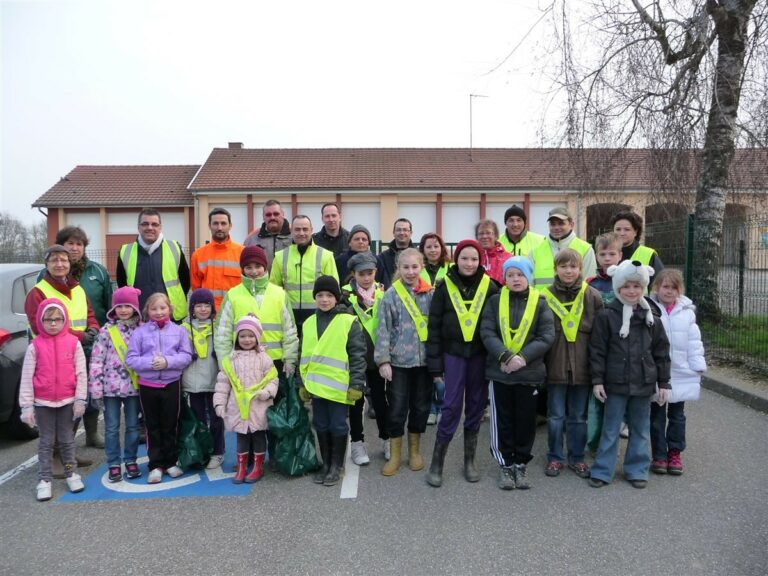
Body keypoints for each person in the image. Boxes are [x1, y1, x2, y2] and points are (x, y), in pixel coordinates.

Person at [589, 260, 671, 489]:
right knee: (611, 428)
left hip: (644, 383)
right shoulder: (607, 316)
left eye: (636, 286)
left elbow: (662, 352)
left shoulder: (652, 317)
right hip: (615, 382)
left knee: (640, 428)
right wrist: (597, 380)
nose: (632, 291)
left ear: (643, 287)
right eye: (626, 287)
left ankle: (636, 469)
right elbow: (597, 351)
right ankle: (603, 470)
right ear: (618, 288)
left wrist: (664, 382)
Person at [425, 239, 499, 488]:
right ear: (457, 259)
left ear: (480, 261)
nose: (469, 263)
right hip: (453, 355)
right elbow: (433, 328)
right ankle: (438, 461)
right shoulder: (444, 286)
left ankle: (470, 460)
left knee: (476, 407)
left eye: (474, 259)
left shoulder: (491, 287)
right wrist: (435, 368)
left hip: (480, 356)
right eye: (465, 258)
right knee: (451, 406)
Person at [480, 257, 555, 491]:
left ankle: (520, 463)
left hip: (528, 373)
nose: (516, 279)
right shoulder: (494, 301)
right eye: (511, 275)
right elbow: (487, 331)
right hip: (500, 372)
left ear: (528, 277)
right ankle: (505, 464)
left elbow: (546, 336)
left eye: (520, 275)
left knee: (525, 422)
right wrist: (505, 356)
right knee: (503, 420)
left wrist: (521, 358)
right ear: (505, 277)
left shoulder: (541, 303)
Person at [25, 244, 100, 472]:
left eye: (64, 260)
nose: (60, 264)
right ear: (46, 264)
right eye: (54, 260)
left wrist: (94, 328)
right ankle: (54, 456)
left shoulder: (77, 288)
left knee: (73, 404)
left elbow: (89, 313)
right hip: (50, 359)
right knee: (55, 407)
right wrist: (80, 336)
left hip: (75, 353)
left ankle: (68, 451)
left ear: (70, 264)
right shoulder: (38, 292)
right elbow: (41, 326)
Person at [39, 226, 112, 450]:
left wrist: (98, 333)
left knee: (91, 390)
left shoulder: (97, 271)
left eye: (79, 244)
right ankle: (62, 446)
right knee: (69, 394)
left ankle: (91, 433)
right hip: (61, 347)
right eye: (70, 243)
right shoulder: (49, 276)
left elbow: (107, 306)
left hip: (93, 343)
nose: (74, 248)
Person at [541, 249, 603, 479]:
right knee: (555, 416)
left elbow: (600, 338)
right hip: (555, 366)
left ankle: (577, 458)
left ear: (581, 269)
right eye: (563, 266)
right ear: (555, 269)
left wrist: (597, 370)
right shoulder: (544, 297)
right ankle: (555, 457)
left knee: (578, 416)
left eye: (573, 266)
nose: (568, 271)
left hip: (583, 368)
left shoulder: (592, 296)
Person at [300, 276, 367, 486]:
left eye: (329, 295)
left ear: (336, 298)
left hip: (339, 387)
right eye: (320, 295)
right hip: (316, 386)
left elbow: (357, 355)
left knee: (338, 425)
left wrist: (356, 385)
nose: (324, 299)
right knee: (320, 424)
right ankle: (327, 463)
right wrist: (301, 383)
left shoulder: (348, 321)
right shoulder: (309, 322)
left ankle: (337, 466)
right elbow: (304, 355)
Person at [19, 299, 87, 501]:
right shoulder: (35, 346)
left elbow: (81, 373)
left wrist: (80, 400)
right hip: (43, 404)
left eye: (58, 319)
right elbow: (27, 377)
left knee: (67, 441)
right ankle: (45, 479)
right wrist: (27, 406)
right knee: (46, 443)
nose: (53, 324)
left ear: (64, 319)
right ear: (41, 321)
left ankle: (71, 473)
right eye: (48, 320)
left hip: (68, 401)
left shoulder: (74, 343)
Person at [374, 248, 434, 477]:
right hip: (398, 363)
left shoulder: (430, 294)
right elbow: (383, 330)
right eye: (405, 267)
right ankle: (396, 454)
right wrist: (383, 361)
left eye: (415, 267)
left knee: (420, 407)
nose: (410, 272)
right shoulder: (391, 295)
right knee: (397, 408)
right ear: (398, 268)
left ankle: (415, 451)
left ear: (422, 268)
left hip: (424, 363)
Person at [126, 292, 193, 483]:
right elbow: (131, 358)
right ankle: (155, 465)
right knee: (152, 426)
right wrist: (150, 363)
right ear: (147, 311)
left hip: (172, 384)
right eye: (154, 308)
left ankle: (171, 462)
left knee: (170, 425)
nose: (158, 312)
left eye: (162, 308)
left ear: (170, 309)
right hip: (148, 386)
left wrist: (167, 362)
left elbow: (186, 355)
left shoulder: (179, 331)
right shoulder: (140, 332)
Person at [649, 269, 706, 476]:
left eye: (674, 287)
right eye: (665, 286)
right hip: (656, 373)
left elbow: (694, 341)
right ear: (656, 287)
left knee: (677, 416)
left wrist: (697, 364)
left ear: (679, 290)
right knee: (656, 417)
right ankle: (659, 455)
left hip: (680, 372)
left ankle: (674, 452)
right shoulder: (648, 309)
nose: (669, 291)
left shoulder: (687, 313)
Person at [214, 315, 279, 484]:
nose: (247, 340)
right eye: (242, 336)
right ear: (237, 338)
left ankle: (258, 467)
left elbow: (273, 379)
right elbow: (223, 383)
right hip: (238, 407)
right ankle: (242, 467)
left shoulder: (264, 358)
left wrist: (268, 392)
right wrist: (219, 403)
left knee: (258, 436)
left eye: (251, 336)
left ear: (257, 337)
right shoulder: (230, 360)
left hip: (259, 405)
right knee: (241, 437)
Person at [88, 287, 144, 483]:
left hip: (134, 387)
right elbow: (96, 360)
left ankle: (130, 460)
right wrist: (95, 387)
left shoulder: (142, 330)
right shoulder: (106, 331)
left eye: (127, 306)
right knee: (111, 427)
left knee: (133, 426)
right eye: (119, 306)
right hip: (110, 388)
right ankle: (113, 463)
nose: (123, 310)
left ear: (135, 308)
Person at [341, 251, 388, 465]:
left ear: (375, 272)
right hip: (355, 359)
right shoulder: (344, 297)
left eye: (370, 273)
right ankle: (357, 444)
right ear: (353, 274)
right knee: (356, 402)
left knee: (380, 402)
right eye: (361, 274)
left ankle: (386, 439)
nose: (366, 278)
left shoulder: (384, 294)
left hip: (378, 358)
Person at [585, 232, 624, 453]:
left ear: (620, 255)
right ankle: (594, 441)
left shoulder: (627, 281)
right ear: (597, 257)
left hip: (620, 348)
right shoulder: (591, 283)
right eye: (603, 254)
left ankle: (612, 440)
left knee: (616, 397)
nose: (607, 258)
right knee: (596, 396)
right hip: (597, 346)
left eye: (612, 253)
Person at [117, 208, 191, 322]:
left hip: (171, 318)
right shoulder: (125, 251)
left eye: (154, 224)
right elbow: (122, 284)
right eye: (145, 224)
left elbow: (185, 281)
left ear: (160, 227)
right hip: (139, 318)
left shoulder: (174, 248)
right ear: (138, 227)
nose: (150, 228)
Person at [270, 215, 338, 335]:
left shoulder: (326, 256)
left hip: (318, 315)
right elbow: (273, 289)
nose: (301, 233)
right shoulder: (280, 256)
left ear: (311, 230)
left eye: (305, 229)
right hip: (288, 316)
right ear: (291, 231)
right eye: (297, 229)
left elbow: (334, 289)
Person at [181, 289, 225, 470]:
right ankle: (202, 451)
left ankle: (218, 452)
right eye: (198, 305)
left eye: (207, 305)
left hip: (215, 380)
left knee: (216, 419)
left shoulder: (219, 327)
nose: (203, 309)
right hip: (194, 382)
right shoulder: (183, 329)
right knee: (198, 419)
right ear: (192, 308)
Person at [190, 208, 244, 311]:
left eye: (223, 223)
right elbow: (196, 290)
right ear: (209, 226)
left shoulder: (242, 253)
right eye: (215, 223)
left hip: (235, 311)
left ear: (230, 225)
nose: (219, 228)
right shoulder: (198, 255)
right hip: (209, 314)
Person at [530, 206, 597, 288]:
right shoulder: (535, 251)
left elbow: (589, 284)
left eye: (561, 223)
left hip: (574, 301)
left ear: (571, 224)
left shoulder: (586, 249)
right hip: (542, 300)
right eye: (553, 224)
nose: (556, 228)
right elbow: (529, 284)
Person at [610, 211, 664, 279]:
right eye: (618, 229)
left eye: (627, 229)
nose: (622, 233)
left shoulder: (649, 254)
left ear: (635, 232)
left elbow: (659, 284)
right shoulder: (606, 253)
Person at [243, 199, 292, 268]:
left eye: (276, 214)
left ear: (283, 214)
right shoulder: (251, 240)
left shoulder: (295, 236)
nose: (272, 217)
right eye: (268, 215)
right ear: (263, 216)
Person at [376, 218, 415, 289]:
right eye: (398, 230)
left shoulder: (418, 256)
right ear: (393, 233)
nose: (402, 233)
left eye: (405, 230)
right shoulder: (382, 258)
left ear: (411, 233)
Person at [475, 219, 511, 286]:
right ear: (476, 237)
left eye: (488, 233)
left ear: (496, 236)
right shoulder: (472, 258)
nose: (484, 236)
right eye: (481, 233)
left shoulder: (508, 258)